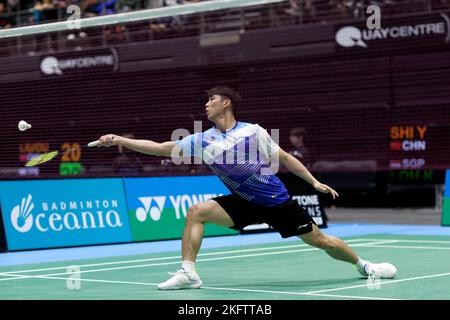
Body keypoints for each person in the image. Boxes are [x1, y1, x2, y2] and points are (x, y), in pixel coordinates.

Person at [96, 86, 397, 290]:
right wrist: (121, 140)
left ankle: (364, 265)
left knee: (321, 241)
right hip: (243, 200)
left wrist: (313, 181)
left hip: (276, 201)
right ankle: (189, 272)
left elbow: (285, 158)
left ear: (225, 103)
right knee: (196, 212)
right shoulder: (202, 139)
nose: (206, 104)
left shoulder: (253, 132)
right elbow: (163, 148)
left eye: (211, 100)